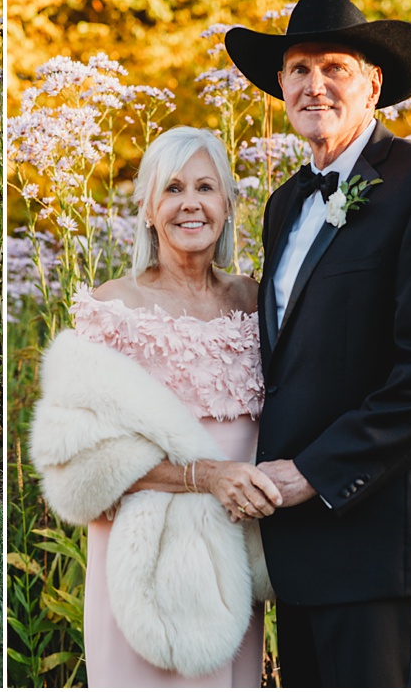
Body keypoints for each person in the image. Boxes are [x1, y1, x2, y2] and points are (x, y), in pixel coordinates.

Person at [224, 0, 411, 686]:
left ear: (372, 82)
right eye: (300, 69)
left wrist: (311, 473)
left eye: (333, 67)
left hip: (383, 540)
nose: (315, 86)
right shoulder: (284, 203)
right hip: (299, 546)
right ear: (280, 83)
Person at [30, 126, 280, 687]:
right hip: (142, 564)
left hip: (232, 562)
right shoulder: (113, 308)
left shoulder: (254, 299)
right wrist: (206, 475)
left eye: (205, 188)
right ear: (147, 207)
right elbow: (78, 463)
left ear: (227, 205)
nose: (190, 203)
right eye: (172, 188)